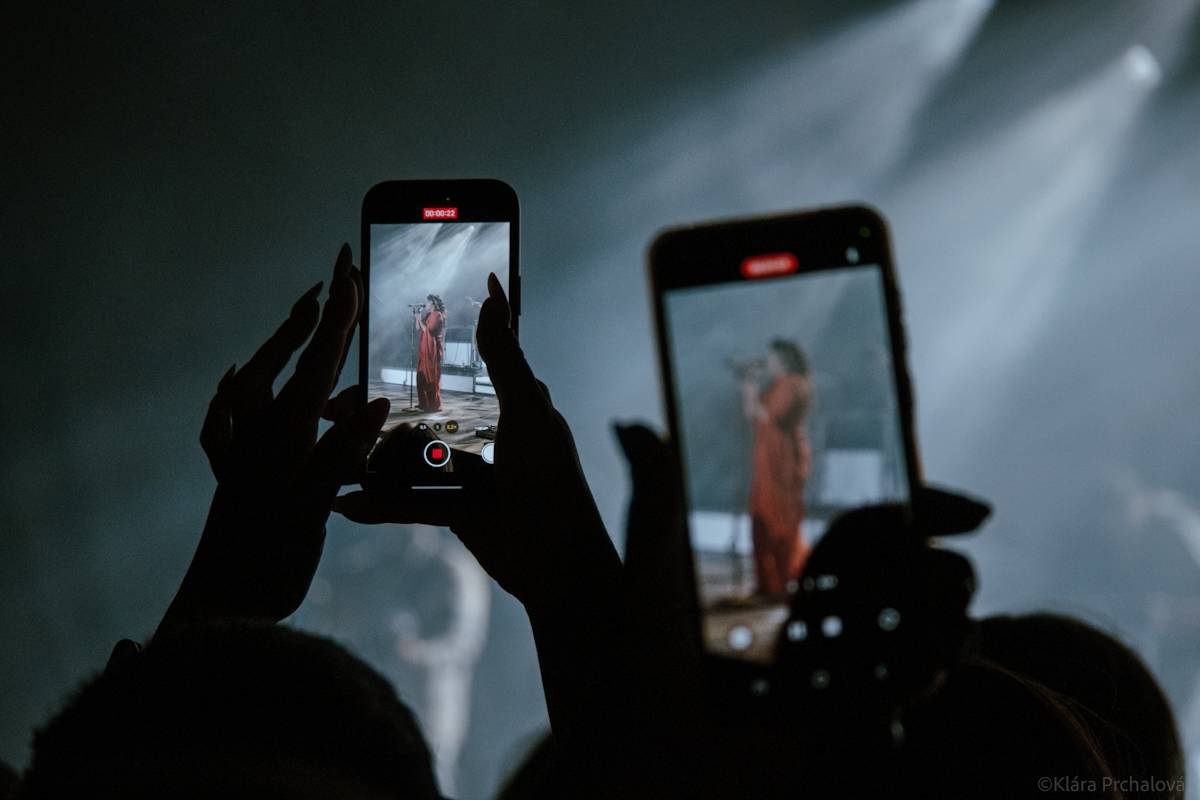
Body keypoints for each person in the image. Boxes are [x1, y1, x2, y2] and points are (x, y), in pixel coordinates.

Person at [741, 339, 813, 600]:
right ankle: (768, 583)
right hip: (766, 459)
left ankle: (784, 579)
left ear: (783, 359)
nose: (768, 363)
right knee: (761, 514)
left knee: (781, 517)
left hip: (784, 460)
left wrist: (754, 392)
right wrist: (748, 384)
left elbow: (774, 416)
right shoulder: (773, 386)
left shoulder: (794, 384)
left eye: (772, 358)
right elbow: (752, 414)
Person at [415, 294, 447, 411]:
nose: (426, 304)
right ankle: (423, 403)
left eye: (427, 302)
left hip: (432, 351)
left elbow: (429, 330)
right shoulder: (428, 315)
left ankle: (433, 405)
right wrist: (416, 317)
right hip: (424, 350)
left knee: (431, 377)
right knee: (421, 376)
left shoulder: (437, 315)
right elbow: (419, 328)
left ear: (433, 303)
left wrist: (419, 318)